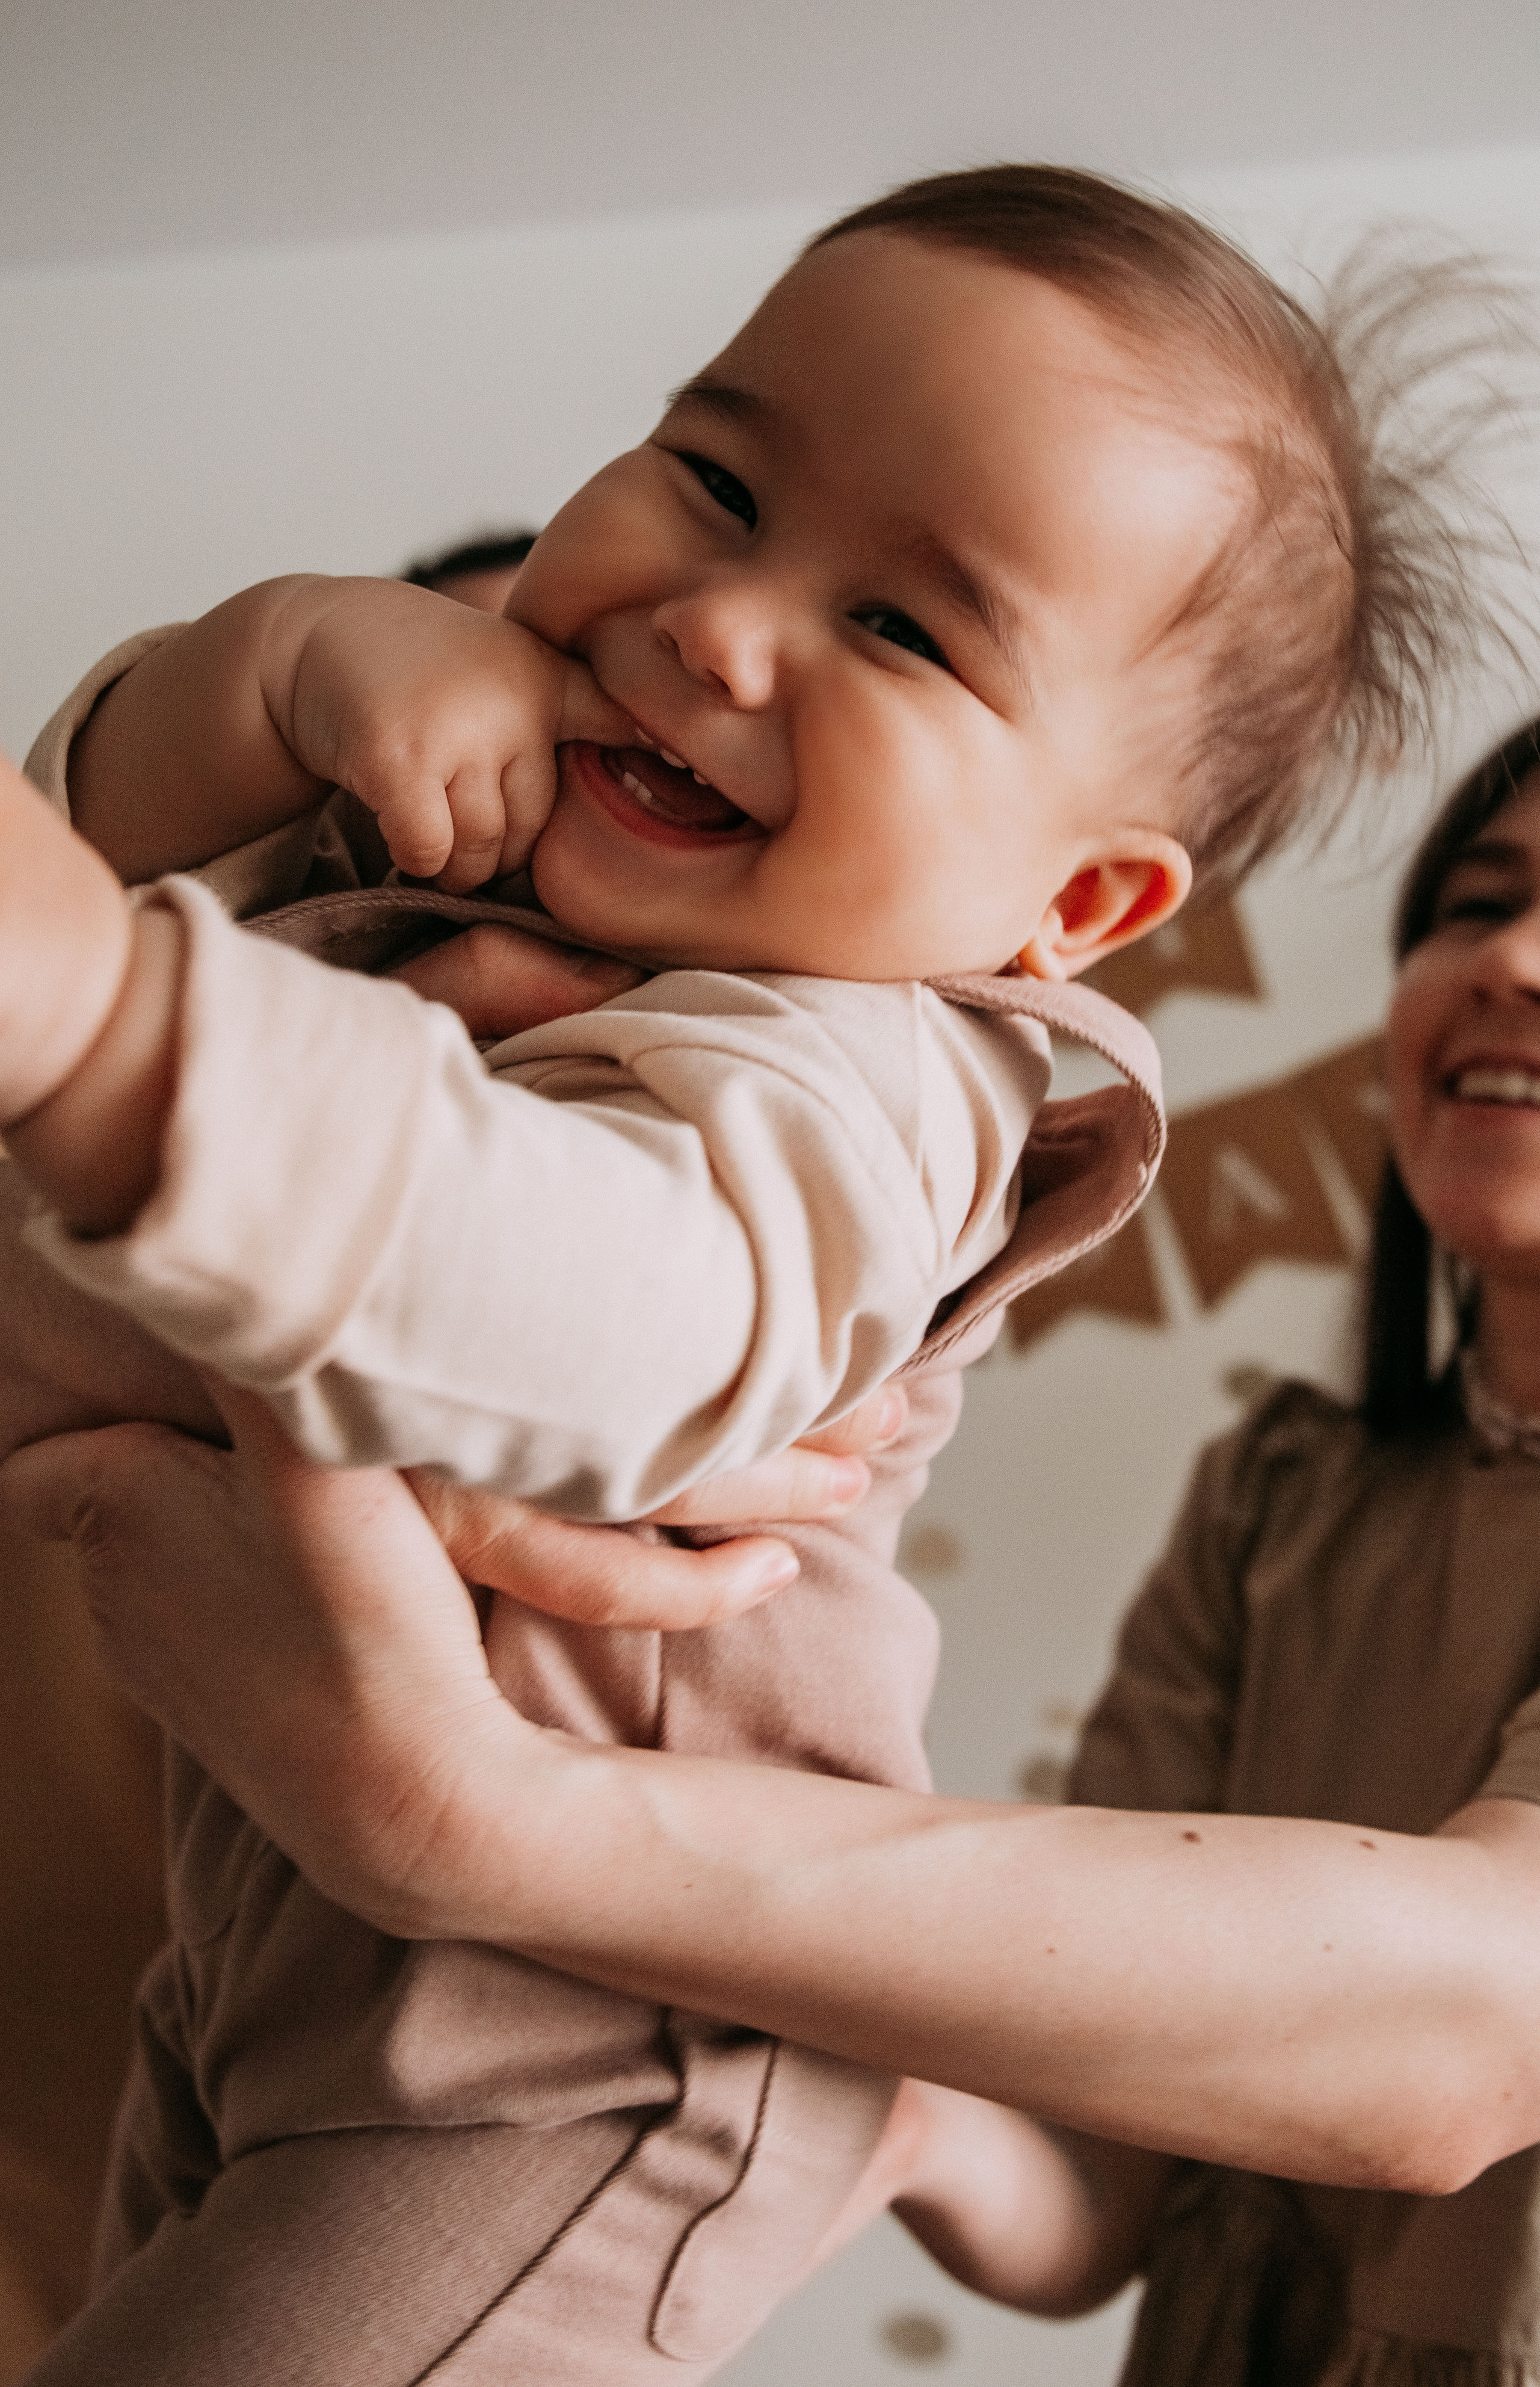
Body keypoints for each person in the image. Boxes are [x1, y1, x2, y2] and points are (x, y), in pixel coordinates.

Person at [0, 165, 1510, 2380]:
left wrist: (122, 1031)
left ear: (1073, 912)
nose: (723, 623)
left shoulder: (873, 1070)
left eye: (908, 631)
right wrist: (272, 667)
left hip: (582, 2073)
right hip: (280, 1977)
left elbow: (607, 1307)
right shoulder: (513, 889)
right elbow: (87, 834)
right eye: (714, 479)